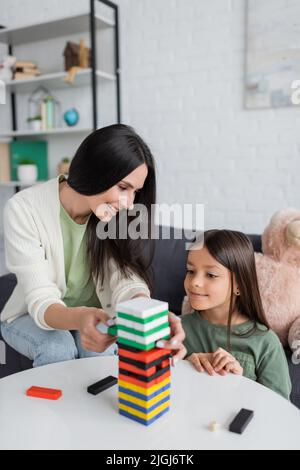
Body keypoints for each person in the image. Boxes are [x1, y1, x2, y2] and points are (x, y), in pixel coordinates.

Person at [1, 124, 185, 367]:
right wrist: (79, 318)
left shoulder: (114, 216)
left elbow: (126, 279)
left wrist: (150, 314)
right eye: (123, 187)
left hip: (93, 314)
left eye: (135, 192)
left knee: (100, 358)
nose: (129, 203)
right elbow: (41, 299)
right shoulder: (24, 209)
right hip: (32, 316)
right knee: (58, 347)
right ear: (95, 170)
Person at [182, 229, 292, 399]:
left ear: (239, 285)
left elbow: (279, 413)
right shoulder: (176, 329)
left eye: (211, 275)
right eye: (190, 271)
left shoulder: (265, 343)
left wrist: (240, 385)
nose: (195, 282)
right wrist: (185, 369)